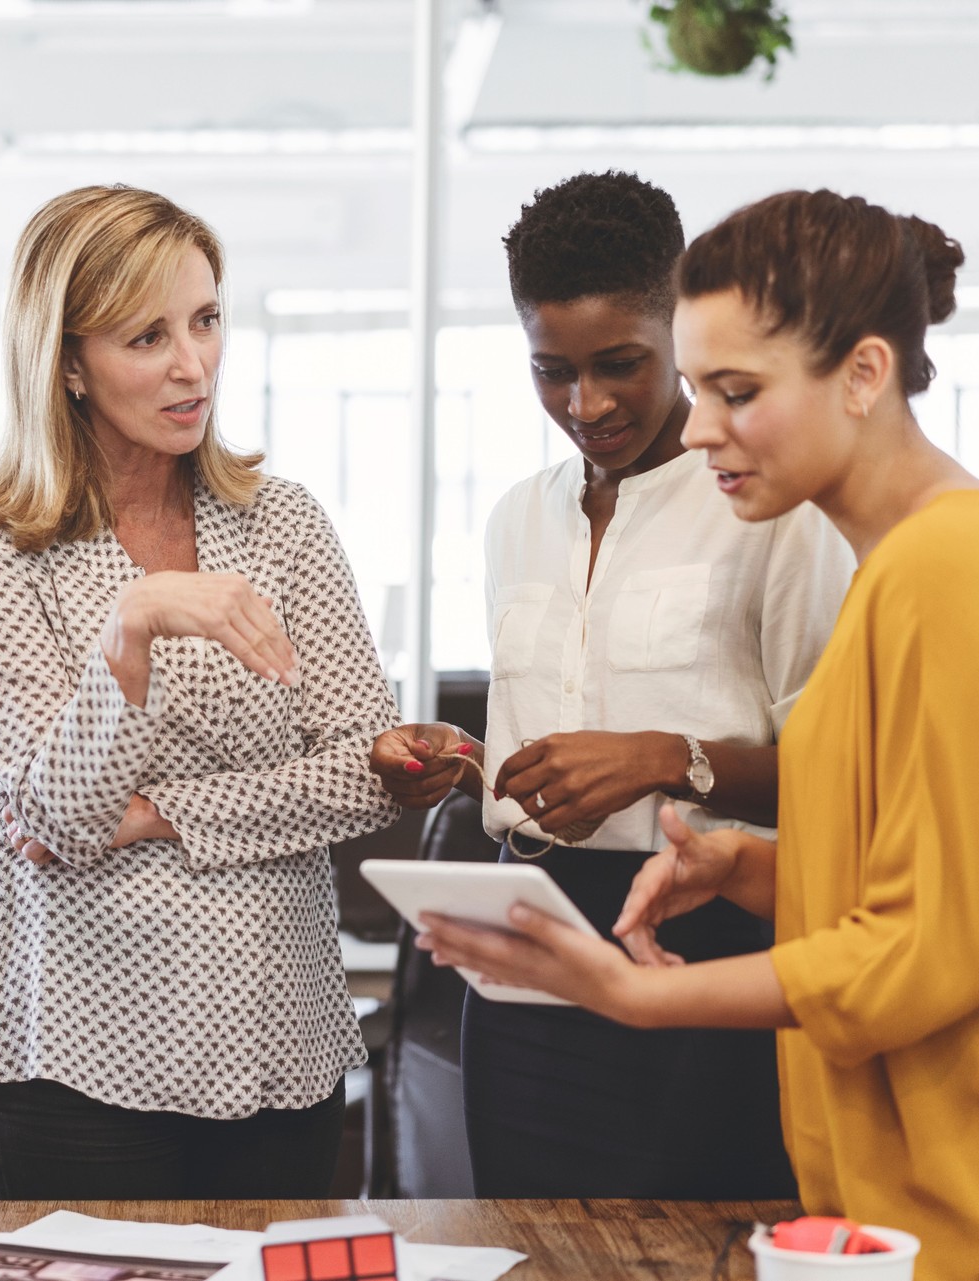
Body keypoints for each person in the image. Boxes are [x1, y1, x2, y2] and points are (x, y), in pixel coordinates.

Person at [420, 189, 979, 1278]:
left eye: (735, 391)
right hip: (928, 1187)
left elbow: (920, 954)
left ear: (863, 376)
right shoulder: (921, 568)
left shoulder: (955, 578)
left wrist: (636, 992)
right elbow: (943, 878)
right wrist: (755, 866)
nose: (699, 425)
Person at [368, 171, 851, 1198]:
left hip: (707, 944)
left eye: (620, 365)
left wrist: (668, 761)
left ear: (679, 326)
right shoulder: (514, 520)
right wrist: (463, 771)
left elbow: (848, 782)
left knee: (704, 1247)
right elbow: (540, 757)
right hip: (526, 949)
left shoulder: (775, 512)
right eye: (551, 371)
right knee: (532, 1248)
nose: (585, 405)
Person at [0, 184, 400, 1199]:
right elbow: (54, 816)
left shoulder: (283, 524)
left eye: (206, 319)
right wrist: (129, 627)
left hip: (279, 1046)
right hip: (72, 1057)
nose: (193, 365)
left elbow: (369, 775)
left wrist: (161, 816)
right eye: (147, 337)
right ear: (66, 362)